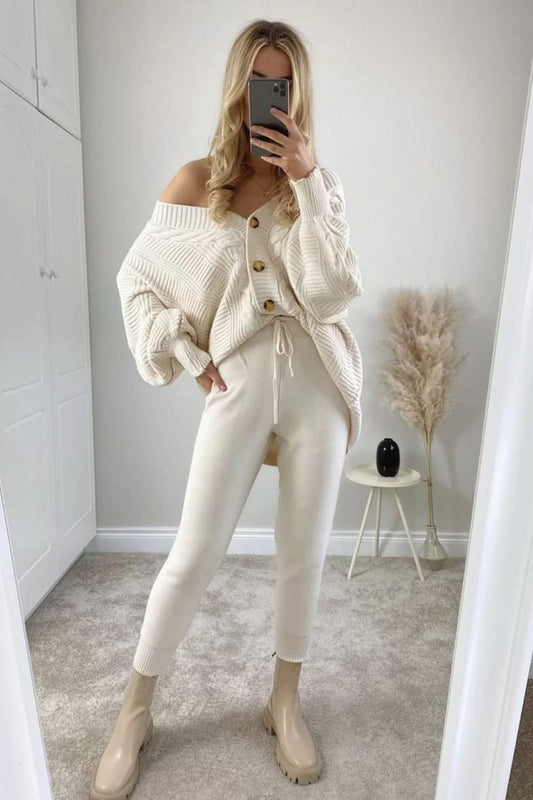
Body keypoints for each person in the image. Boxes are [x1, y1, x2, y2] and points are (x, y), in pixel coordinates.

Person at [89, 18, 364, 800]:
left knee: (301, 552)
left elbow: (331, 295)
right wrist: (182, 350)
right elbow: (137, 282)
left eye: (283, 81)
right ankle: (134, 711)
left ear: (298, 91)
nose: (267, 95)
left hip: (317, 381)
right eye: (257, 80)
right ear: (238, 86)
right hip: (237, 378)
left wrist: (306, 183)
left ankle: (283, 701)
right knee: (195, 552)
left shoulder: (318, 186)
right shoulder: (192, 183)